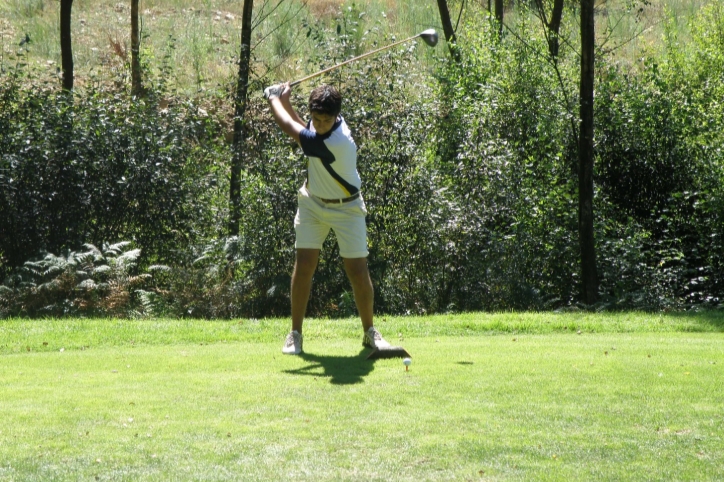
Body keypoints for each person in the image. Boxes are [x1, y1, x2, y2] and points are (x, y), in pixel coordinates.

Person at [264, 82, 391, 355]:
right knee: (305, 265)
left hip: (347, 208)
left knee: (358, 270)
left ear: (337, 117)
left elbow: (290, 128)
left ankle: (370, 332)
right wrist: (285, 99)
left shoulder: (338, 141)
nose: (319, 124)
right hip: (312, 203)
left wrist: (274, 99)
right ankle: (295, 335)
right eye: (316, 118)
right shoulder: (320, 127)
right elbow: (303, 128)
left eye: (325, 120)